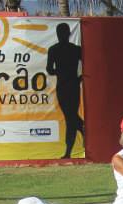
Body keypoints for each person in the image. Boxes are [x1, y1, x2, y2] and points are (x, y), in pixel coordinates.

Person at [46, 23, 84, 159]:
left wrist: (80, 77)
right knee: (71, 117)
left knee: (70, 118)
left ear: (68, 34)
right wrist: (62, 72)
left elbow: (90, 63)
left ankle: (68, 151)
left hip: (70, 86)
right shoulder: (54, 50)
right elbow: (49, 69)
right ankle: (84, 132)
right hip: (65, 86)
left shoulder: (75, 49)